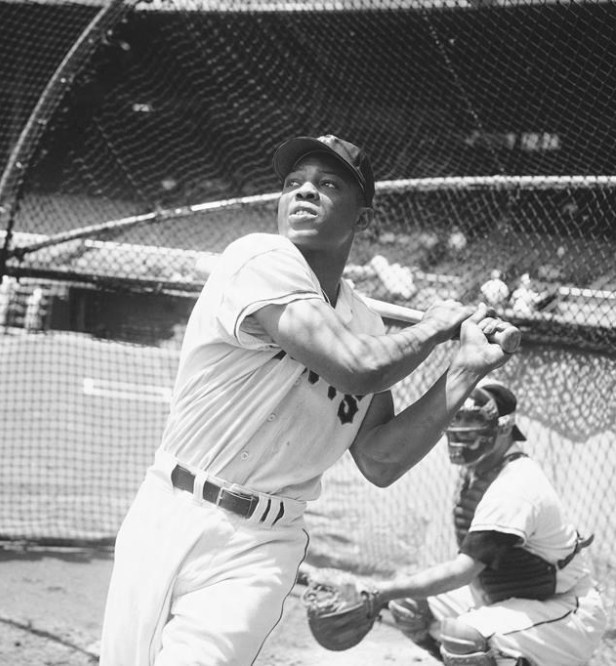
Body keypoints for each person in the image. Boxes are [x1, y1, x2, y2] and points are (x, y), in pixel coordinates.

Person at [99, 134, 514, 664]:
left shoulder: (365, 323)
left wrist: (465, 369)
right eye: (293, 183)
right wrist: (432, 328)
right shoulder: (257, 258)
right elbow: (358, 368)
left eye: (328, 184)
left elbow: (380, 459)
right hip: (173, 509)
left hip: (260, 544)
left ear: (362, 219)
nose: (303, 193)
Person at [378, 381, 607, 665]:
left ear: (503, 428)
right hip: (506, 595)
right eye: (458, 421)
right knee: (410, 606)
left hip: (563, 609)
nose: (462, 433)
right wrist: (391, 593)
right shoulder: (478, 471)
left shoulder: (516, 486)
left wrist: (378, 592)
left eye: (473, 423)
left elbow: (462, 571)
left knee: (466, 638)